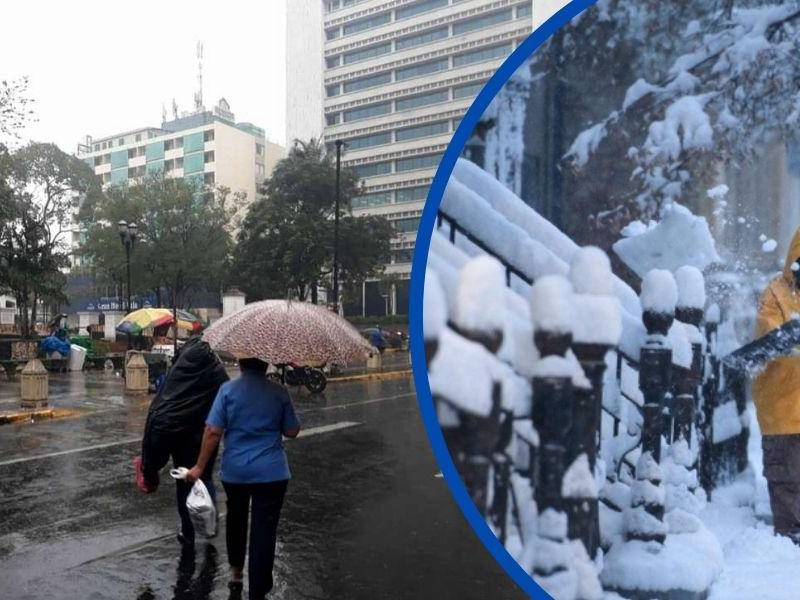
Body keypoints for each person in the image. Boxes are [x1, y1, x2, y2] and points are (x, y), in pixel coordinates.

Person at [187, 357, 300, 599]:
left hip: (236, 473)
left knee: (236, 521)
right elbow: (292, 431)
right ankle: (258, 590)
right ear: (267, 364)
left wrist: (199, 467)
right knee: (264, 531)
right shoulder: (279, 392)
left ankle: (236, 573)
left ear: (240, 364)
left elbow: (213, 432)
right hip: (272, 474)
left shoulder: (227, 391)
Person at [134, 336, 229, 546]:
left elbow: (158, 418)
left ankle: (188, 533)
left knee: (183, 484)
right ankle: (209, 526)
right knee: (204, 478)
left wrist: (150, 470)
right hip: (206, 437)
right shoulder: (217, 372)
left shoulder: (176, 375)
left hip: (181, 440)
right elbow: (227, 403)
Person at [754, 226, 800, 543]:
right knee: (787, 480)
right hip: (783, 408)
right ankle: (789, 537)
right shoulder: (776, 294)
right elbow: (769, 339)